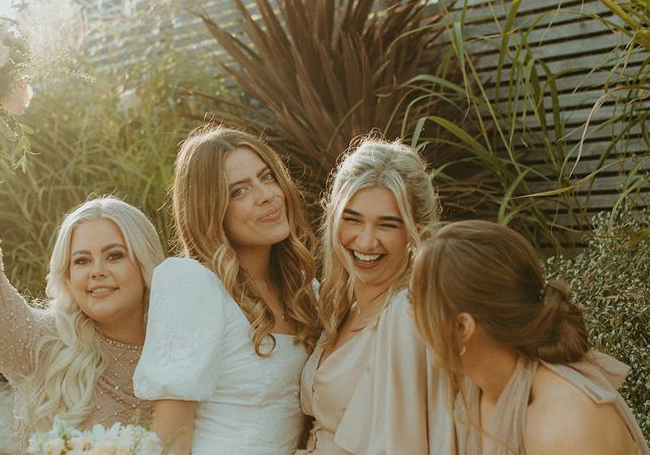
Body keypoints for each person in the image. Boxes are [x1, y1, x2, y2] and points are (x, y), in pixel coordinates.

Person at [0, 92, 165, 446]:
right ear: (67, 275)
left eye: (115, 255)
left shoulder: (181, 349)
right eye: (81, 260)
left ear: (145, 262)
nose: (97, 270)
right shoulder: (40, 344)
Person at [133, 124, 320, 454]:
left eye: (267, 176)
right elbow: (170, 437)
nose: (266, 195)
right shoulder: (193, 284)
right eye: (239, 191)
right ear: (210, 209)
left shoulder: (304, 288)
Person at [408, 219, 650, 455]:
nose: (409, 314)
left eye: (416, 302)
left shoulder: (561, 426)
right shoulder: (475, 388)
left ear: (462, 327)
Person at [300, 137, 456, 454]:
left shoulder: (407, 315)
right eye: (352, 219)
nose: (366, 241)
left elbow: (410, 445)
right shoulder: (342, 303)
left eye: (387, 225)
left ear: (416, 231)